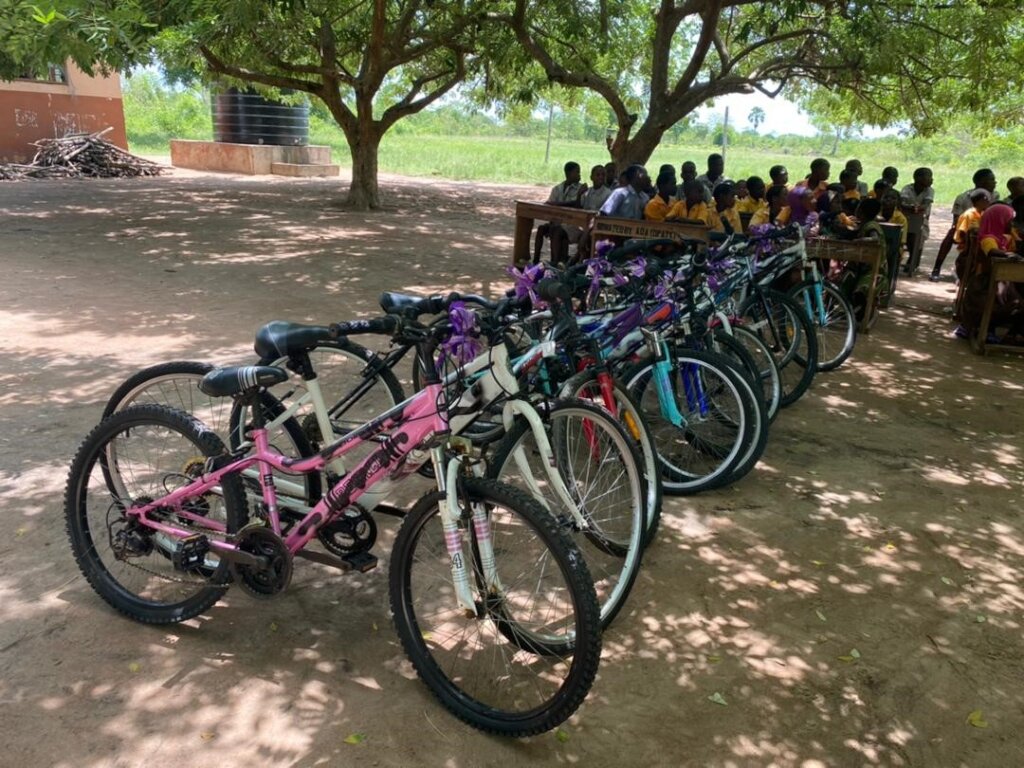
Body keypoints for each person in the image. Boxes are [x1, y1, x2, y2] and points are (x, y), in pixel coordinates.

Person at [958, 204, 1024, 342]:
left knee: (1014, 300)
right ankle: (983, 330)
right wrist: (1008, 254)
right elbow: (992, 251)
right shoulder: (988, 237)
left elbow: (1017, 246)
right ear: (999, 220)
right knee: (1001, 301)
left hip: (1002, 278)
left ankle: (993, 330)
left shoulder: (1004, 238)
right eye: (1009, 221)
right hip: (986, 281)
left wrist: (1016, 238)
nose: (1012, 224)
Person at [932, 168, 997, 281]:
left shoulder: (995, 196)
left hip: (985, 229)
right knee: (949, 237)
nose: (995, 182)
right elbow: (956, 219)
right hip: (965, 227)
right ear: (981, 182)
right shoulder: (963, 197)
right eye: (991, 180)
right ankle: (936, 268)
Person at [534, 161, 586, 264]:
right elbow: (550, 205)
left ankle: (554, 261)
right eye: (577, 172)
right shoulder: (557, 189)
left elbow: (578, 206)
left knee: (557, 231)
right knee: (541, 229)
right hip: (556, 222)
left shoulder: (581, 189)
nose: (579, 175)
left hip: (572, 226)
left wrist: (559, 204)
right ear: (568, 173)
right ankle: (535, 259)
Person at [899, 166, 934, 275]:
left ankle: (914, 262)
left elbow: (926, 204)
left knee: (919, 240)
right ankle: (911, 261)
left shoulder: (929, 190)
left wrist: (915, 208)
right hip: (907, 218)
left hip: (921, 219)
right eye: (929, 177)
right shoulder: (907, 189)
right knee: (908, 238)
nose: (931, 180)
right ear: (918, 178)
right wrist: (913, 208)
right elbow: (902, 203)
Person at [952, 189, 991, 276]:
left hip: (977, 245)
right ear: (979, 201)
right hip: (967, 247)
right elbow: (963, 232)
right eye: (986, 200)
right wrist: (968, 246)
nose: (989, 202)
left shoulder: (982, 213)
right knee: (967, 266)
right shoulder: (969, 214)